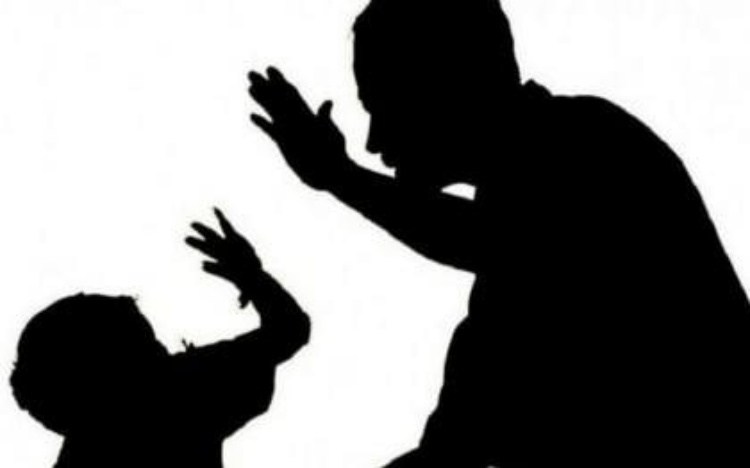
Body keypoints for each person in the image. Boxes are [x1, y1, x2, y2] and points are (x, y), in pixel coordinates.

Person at [248, 0, 750, 466]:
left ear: (447, 85)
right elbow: (454, 442)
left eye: (383, 105)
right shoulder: (509, 272)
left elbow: (494, 240)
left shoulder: (590, 144)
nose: (375, 141)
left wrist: (342, 178)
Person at [10, 209, 310, 468]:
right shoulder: (181, 390)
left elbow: (288, 331)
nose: (163, 350)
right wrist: (252, 277)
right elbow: (289, 329)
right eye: (149, 342)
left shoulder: (88, 443)